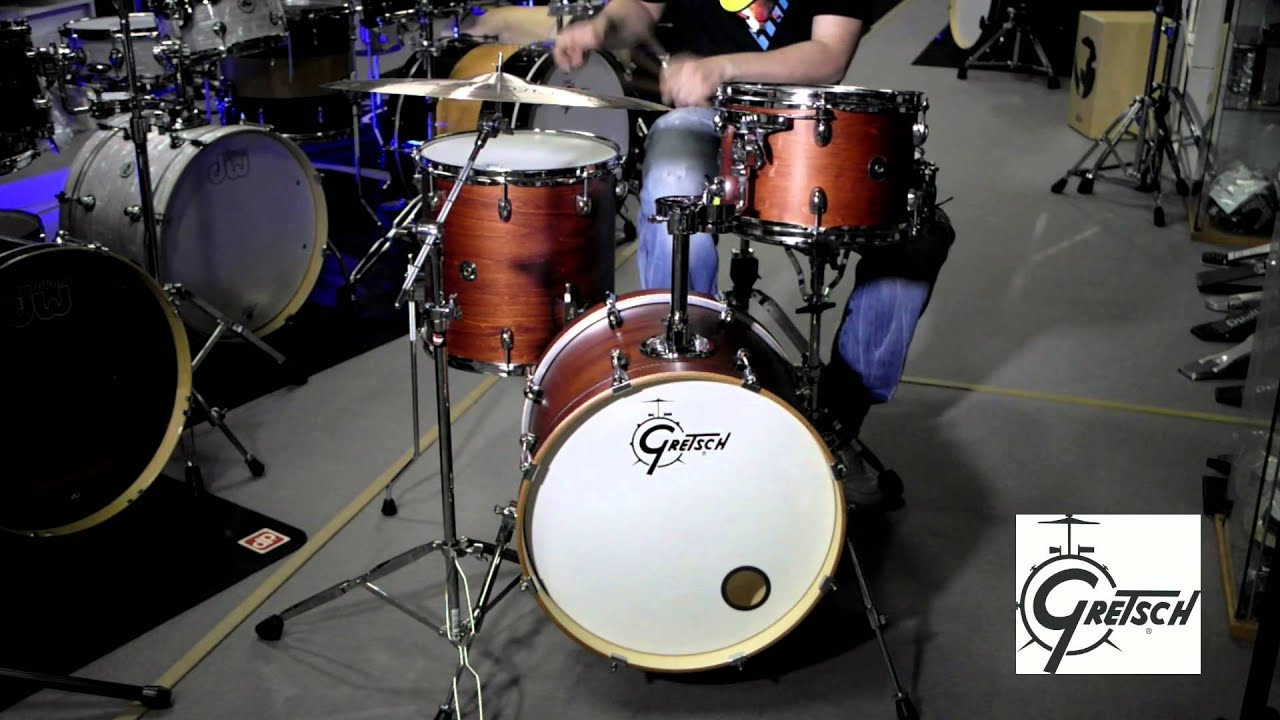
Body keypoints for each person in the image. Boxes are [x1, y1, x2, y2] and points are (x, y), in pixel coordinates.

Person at [553, 0, 954, 508]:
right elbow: (637, 9)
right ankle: (688, 394)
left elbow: (829, 54)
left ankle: (837, 421)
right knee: (672, 184)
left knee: (918, 236)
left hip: (801, 118)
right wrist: (603, 26)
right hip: (703, 116)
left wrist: (722, 67)